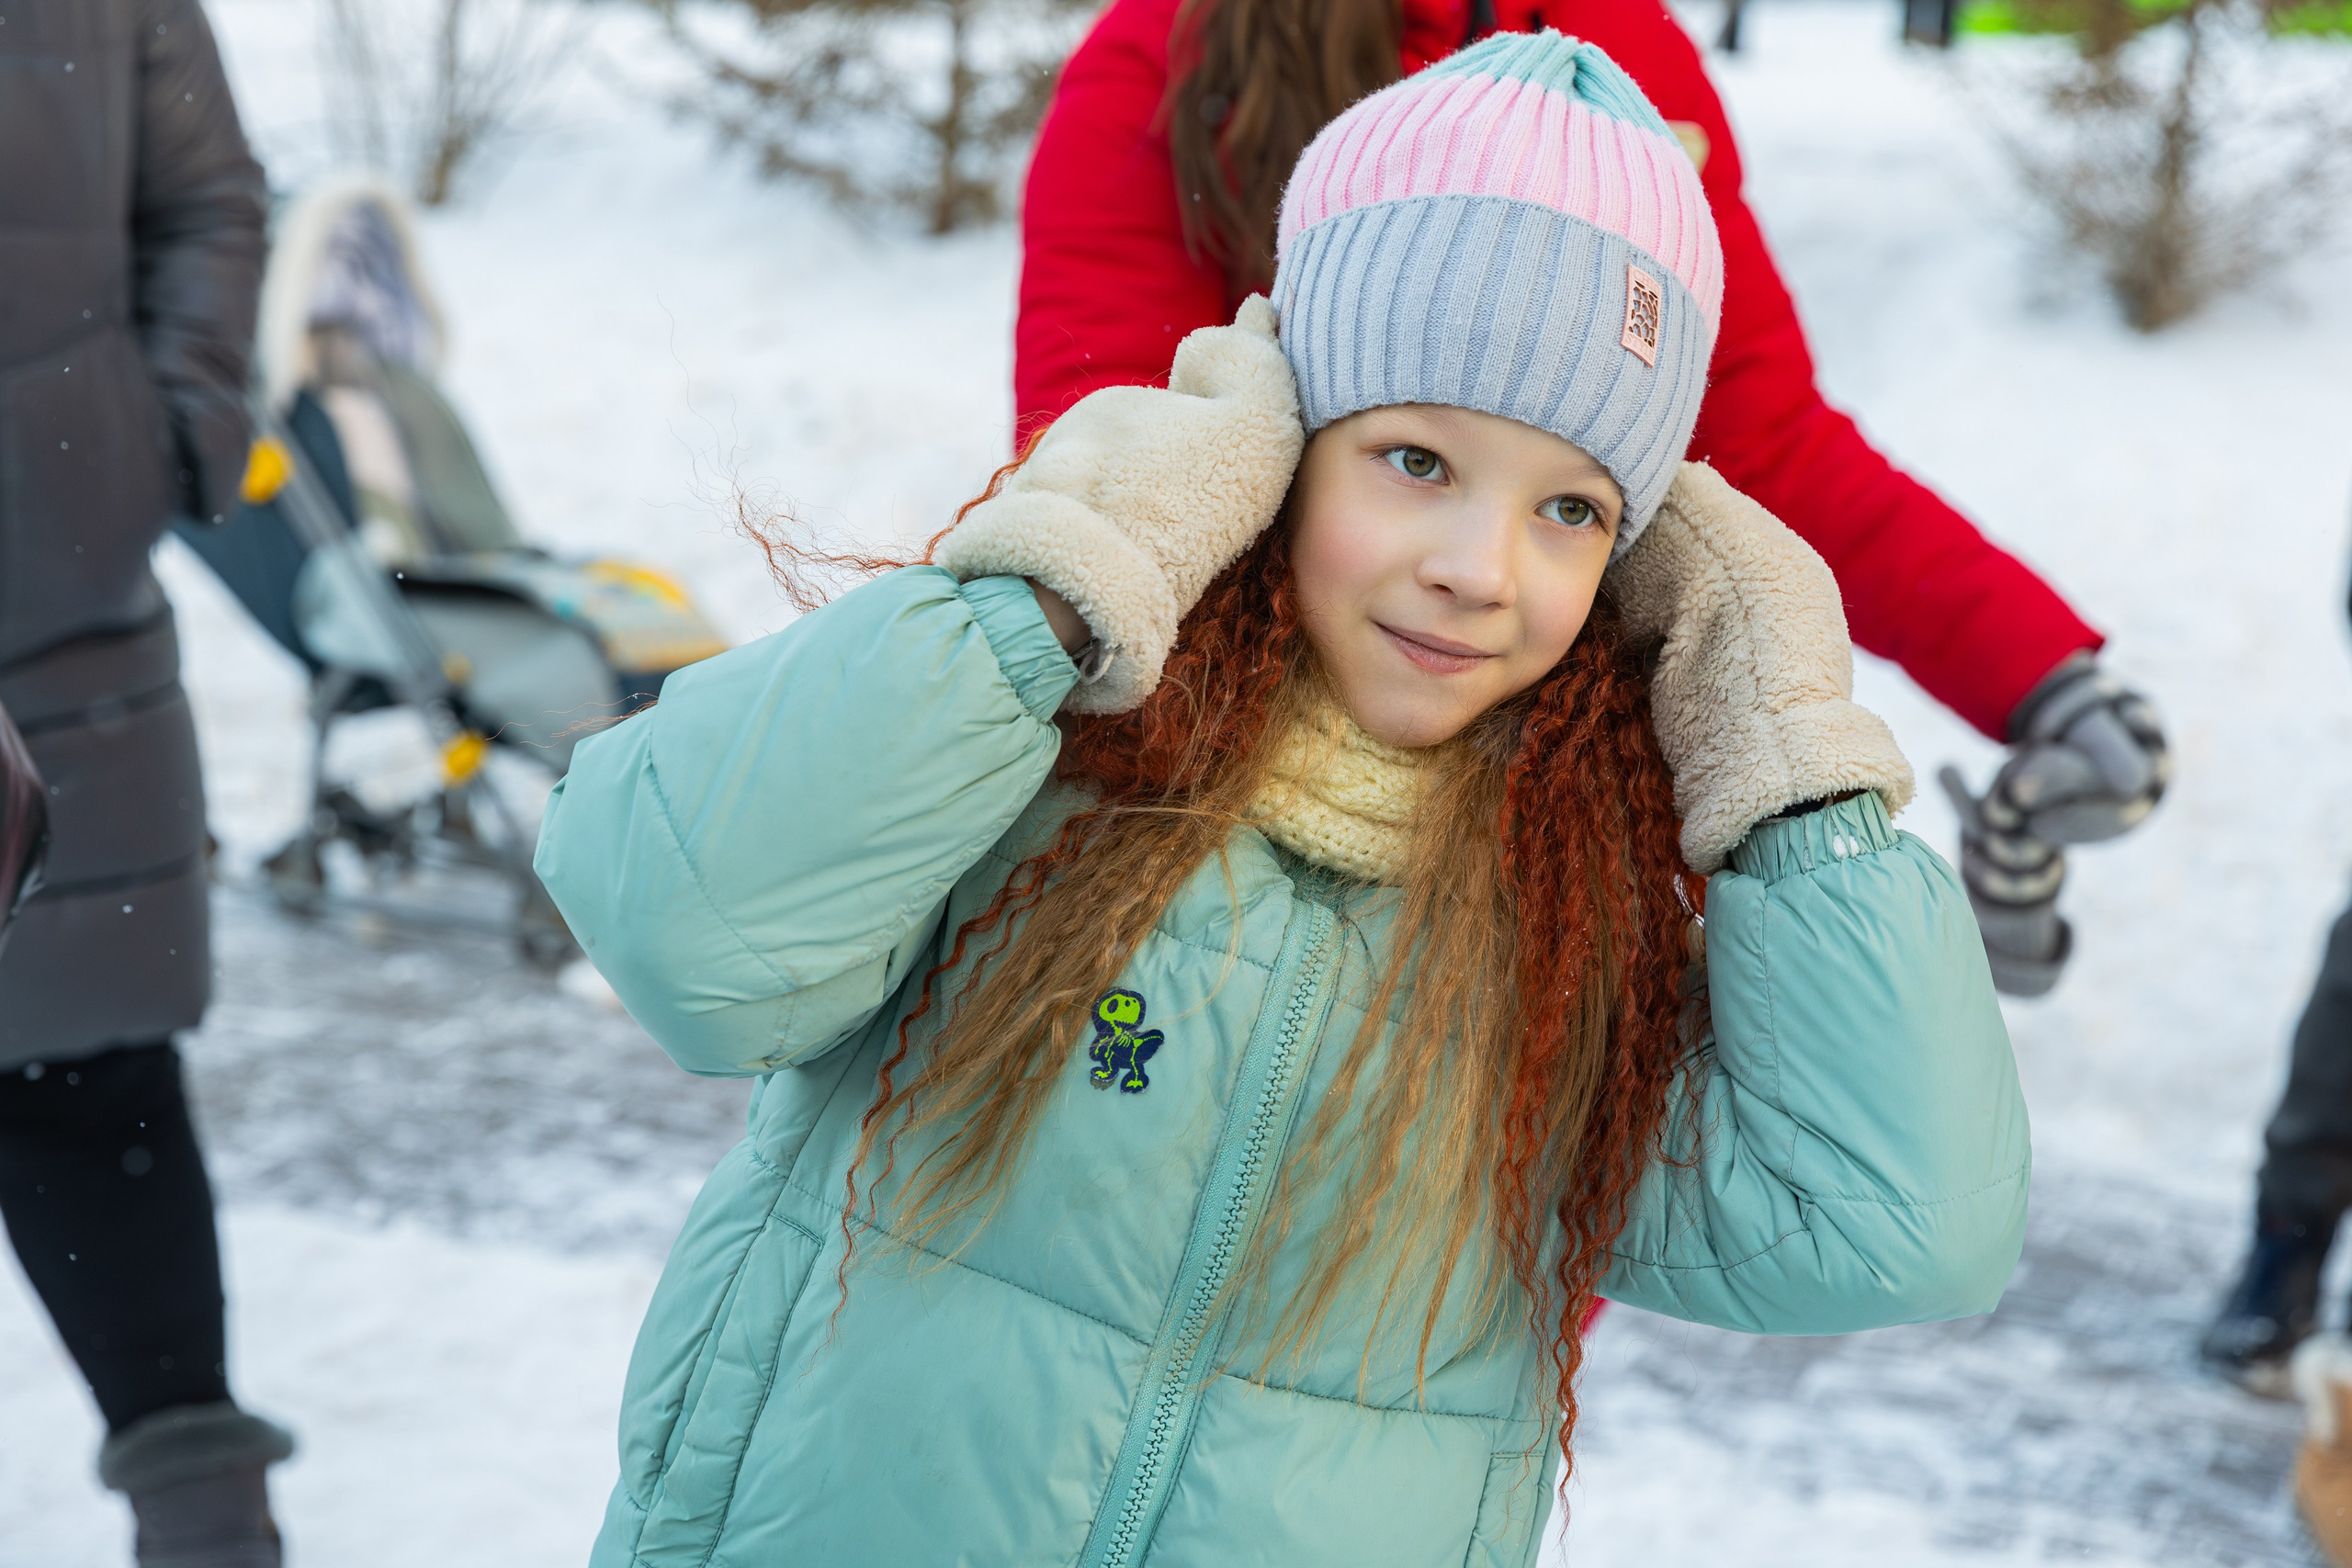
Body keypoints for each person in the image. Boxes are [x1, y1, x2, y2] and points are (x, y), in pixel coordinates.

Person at [537, 36, 2029, 1562]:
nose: (1481, 567)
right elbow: (686, 925)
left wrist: (1782, 760)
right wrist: (1066, 580)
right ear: (1282, 442)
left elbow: (1901, 1226)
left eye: (1572, 506)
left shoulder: (1577, 934)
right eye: (1416, 458)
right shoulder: (1033, 750)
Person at [1018, 0, 2169, 996]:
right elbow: (1122, 462)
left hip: (1540, 829)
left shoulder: (1622, 53)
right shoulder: (1170, 52)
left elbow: (1757, 435)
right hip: (1222, 800)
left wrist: (2038, 673)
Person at [0, 2, 293, 1562]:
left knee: (88, 1070)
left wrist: (155, 439)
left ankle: (208, 1531)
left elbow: (205, 194)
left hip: (56, 596)